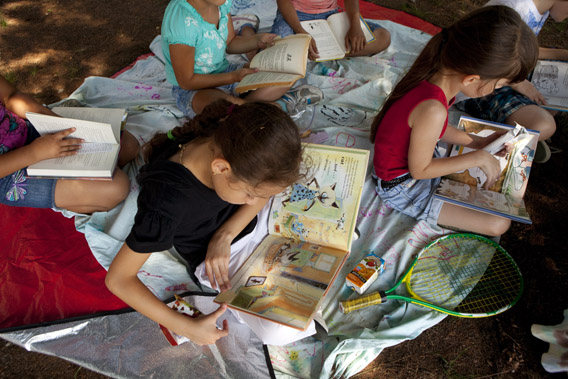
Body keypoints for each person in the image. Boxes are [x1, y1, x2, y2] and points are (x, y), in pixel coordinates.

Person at [106, 100, 316, 346]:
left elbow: (263, 196)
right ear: (221, 168)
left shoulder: (227, 136)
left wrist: (225, 234)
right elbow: (119, 279)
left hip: (236, 234)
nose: (254, 200)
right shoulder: (167, 203)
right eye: (250, 194)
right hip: (225, 259)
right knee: (280, 331)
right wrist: (186, 326)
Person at [369, 6, 539, 237]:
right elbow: (420, 170)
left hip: (414, 166)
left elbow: (434, 131)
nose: (496, 91)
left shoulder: (436, 79)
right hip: (402, 186)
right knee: (498, 224)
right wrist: (477, 156)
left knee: (492, 197)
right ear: (471, 79)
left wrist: (478, 142)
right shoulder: (433, 108)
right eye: (499, 86)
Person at [161, 0, 323, 119]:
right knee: (221, 106)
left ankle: (248, 107)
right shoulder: (182, 20)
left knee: (285, 74)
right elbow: (186, 81)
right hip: (194, 90)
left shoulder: (221, 4)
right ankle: (277, 106)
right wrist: (234, 77)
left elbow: (230, 43)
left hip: (225, 73)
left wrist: (258, 40)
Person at [455, 0, 568, 163]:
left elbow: (519, 48)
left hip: (505, 74)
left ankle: (528, 132)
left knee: (559, 89)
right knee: (545, 125)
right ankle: (504, 139)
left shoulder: (539, 8)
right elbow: (481, 53)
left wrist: (562, 55)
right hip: (479, 85)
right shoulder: (515, 7)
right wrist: (517, 82)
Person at [0, 76, 131, 213]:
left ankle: (94, 177)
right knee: (117, 188)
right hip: (8, 174)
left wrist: (52, 119)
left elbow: (10, 96)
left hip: (27, 132)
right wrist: (35, 152)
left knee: (128, 145)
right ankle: (74, 200)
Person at [271, 0, 391, 61]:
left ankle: (325, 53)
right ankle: (321, 53)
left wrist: (355, 26)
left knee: (383, 36)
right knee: (277, 49)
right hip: (295, 15)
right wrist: (300, 32)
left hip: (329, 15)